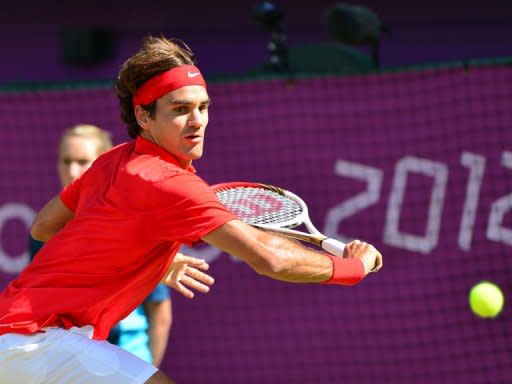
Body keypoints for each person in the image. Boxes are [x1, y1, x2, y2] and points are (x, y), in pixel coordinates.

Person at [0, 36, 383, 384]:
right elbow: (270, 259)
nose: (197, 121)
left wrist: (148, 260)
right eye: (180, 109)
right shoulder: (172, 185)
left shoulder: (113, 160)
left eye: (203, 107)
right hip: (40, 341)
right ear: (143, 116)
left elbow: (44, 226)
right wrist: (353, 267)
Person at [28, 124, 173, 368]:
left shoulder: (135, 224)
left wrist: (148, 371)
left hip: (127, 354)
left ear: (102, 166)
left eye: (83, 161)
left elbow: (159, 309)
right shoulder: (43, 228)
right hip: (71, 359)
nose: (73, 171)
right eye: (66, 161)